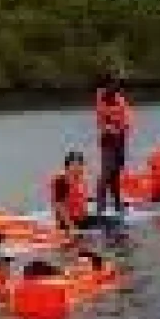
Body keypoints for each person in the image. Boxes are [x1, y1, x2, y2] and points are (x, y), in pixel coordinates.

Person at [94, 78, 134, 216]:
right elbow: (101, 122)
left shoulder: (120, 100)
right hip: (108, 141)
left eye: (115, 89)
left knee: (116, 173)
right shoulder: (101, 100)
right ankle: (100, 207)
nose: (113, 91)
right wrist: (111, 128)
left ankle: (117, 204)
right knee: (106, 172)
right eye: (110, 88)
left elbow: (128, 120)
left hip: (120, 140)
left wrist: (120, 128)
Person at [51, 152, 103, 236]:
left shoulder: (81, 179)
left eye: (80, 165)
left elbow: (81, 197)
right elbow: (59, 206)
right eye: (74, 165)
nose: (77, 168)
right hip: (68, 222)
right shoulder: (61, 180)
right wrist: (71, 226)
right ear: (67, 167)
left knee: (108, 224)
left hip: (82, 218)